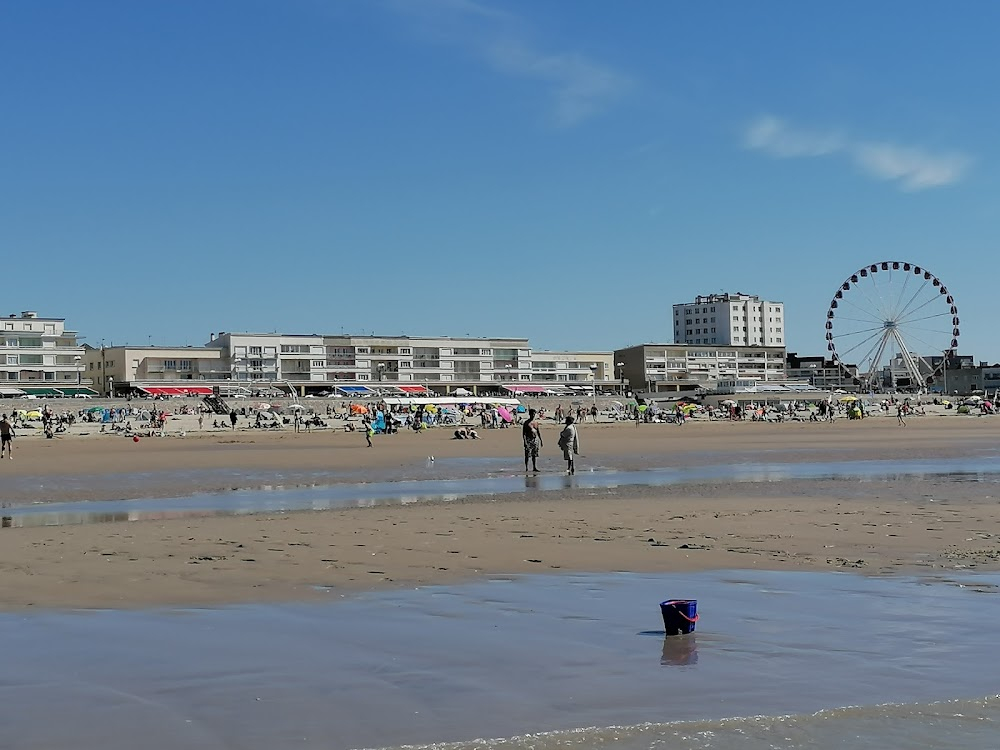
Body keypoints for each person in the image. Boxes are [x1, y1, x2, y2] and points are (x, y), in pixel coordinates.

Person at [521, 408, 543, 472]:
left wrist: (541, 440)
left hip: (535, 439)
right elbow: (523, 433)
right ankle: (527, 468)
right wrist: (525, 441)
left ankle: (534, 467)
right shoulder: (526, 423)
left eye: (534, 414)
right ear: (529, 414)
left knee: (534, 454)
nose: (533, 415)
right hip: (528, 439)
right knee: (527, 454)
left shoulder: (536, 422)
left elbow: (538, 431)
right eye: (532, 414)